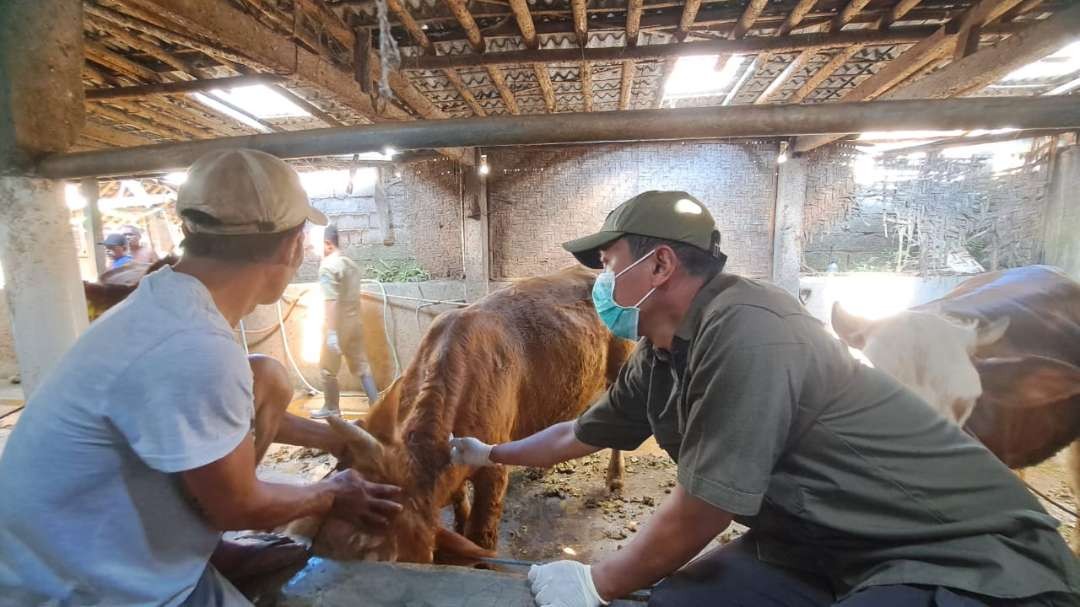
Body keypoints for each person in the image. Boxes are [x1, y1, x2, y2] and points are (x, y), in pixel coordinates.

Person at [449, 190, 1080, 607]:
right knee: (679, 601)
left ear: (661, 266)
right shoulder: (662, 355)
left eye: (610, 265)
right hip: (812, 545)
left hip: (950, 554)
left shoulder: (749, 325)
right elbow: (577, 435)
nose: (602, 285)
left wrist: (598, 581)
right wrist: (490, 452)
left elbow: (707, 503)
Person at [0, 149, 402, 606]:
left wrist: (340, 440)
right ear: (294, 246)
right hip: (82, 586)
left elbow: (215, 422)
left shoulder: (165, 300)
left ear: (188, 229)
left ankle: (206, 551)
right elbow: (239, 506)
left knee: (265, 375)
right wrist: (328, 493)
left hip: (48, 549)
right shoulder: (196, 347)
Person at [309, 224, 380, 419]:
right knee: (362, 367)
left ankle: (331, 407)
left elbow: (331, 301)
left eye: (315, 245)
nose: (313, 250)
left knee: (327, 369)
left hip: (338, 326)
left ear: (328, 244)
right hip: (355, 323)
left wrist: (332, 334)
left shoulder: (327, 267)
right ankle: (377, 407)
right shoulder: (350, 264)